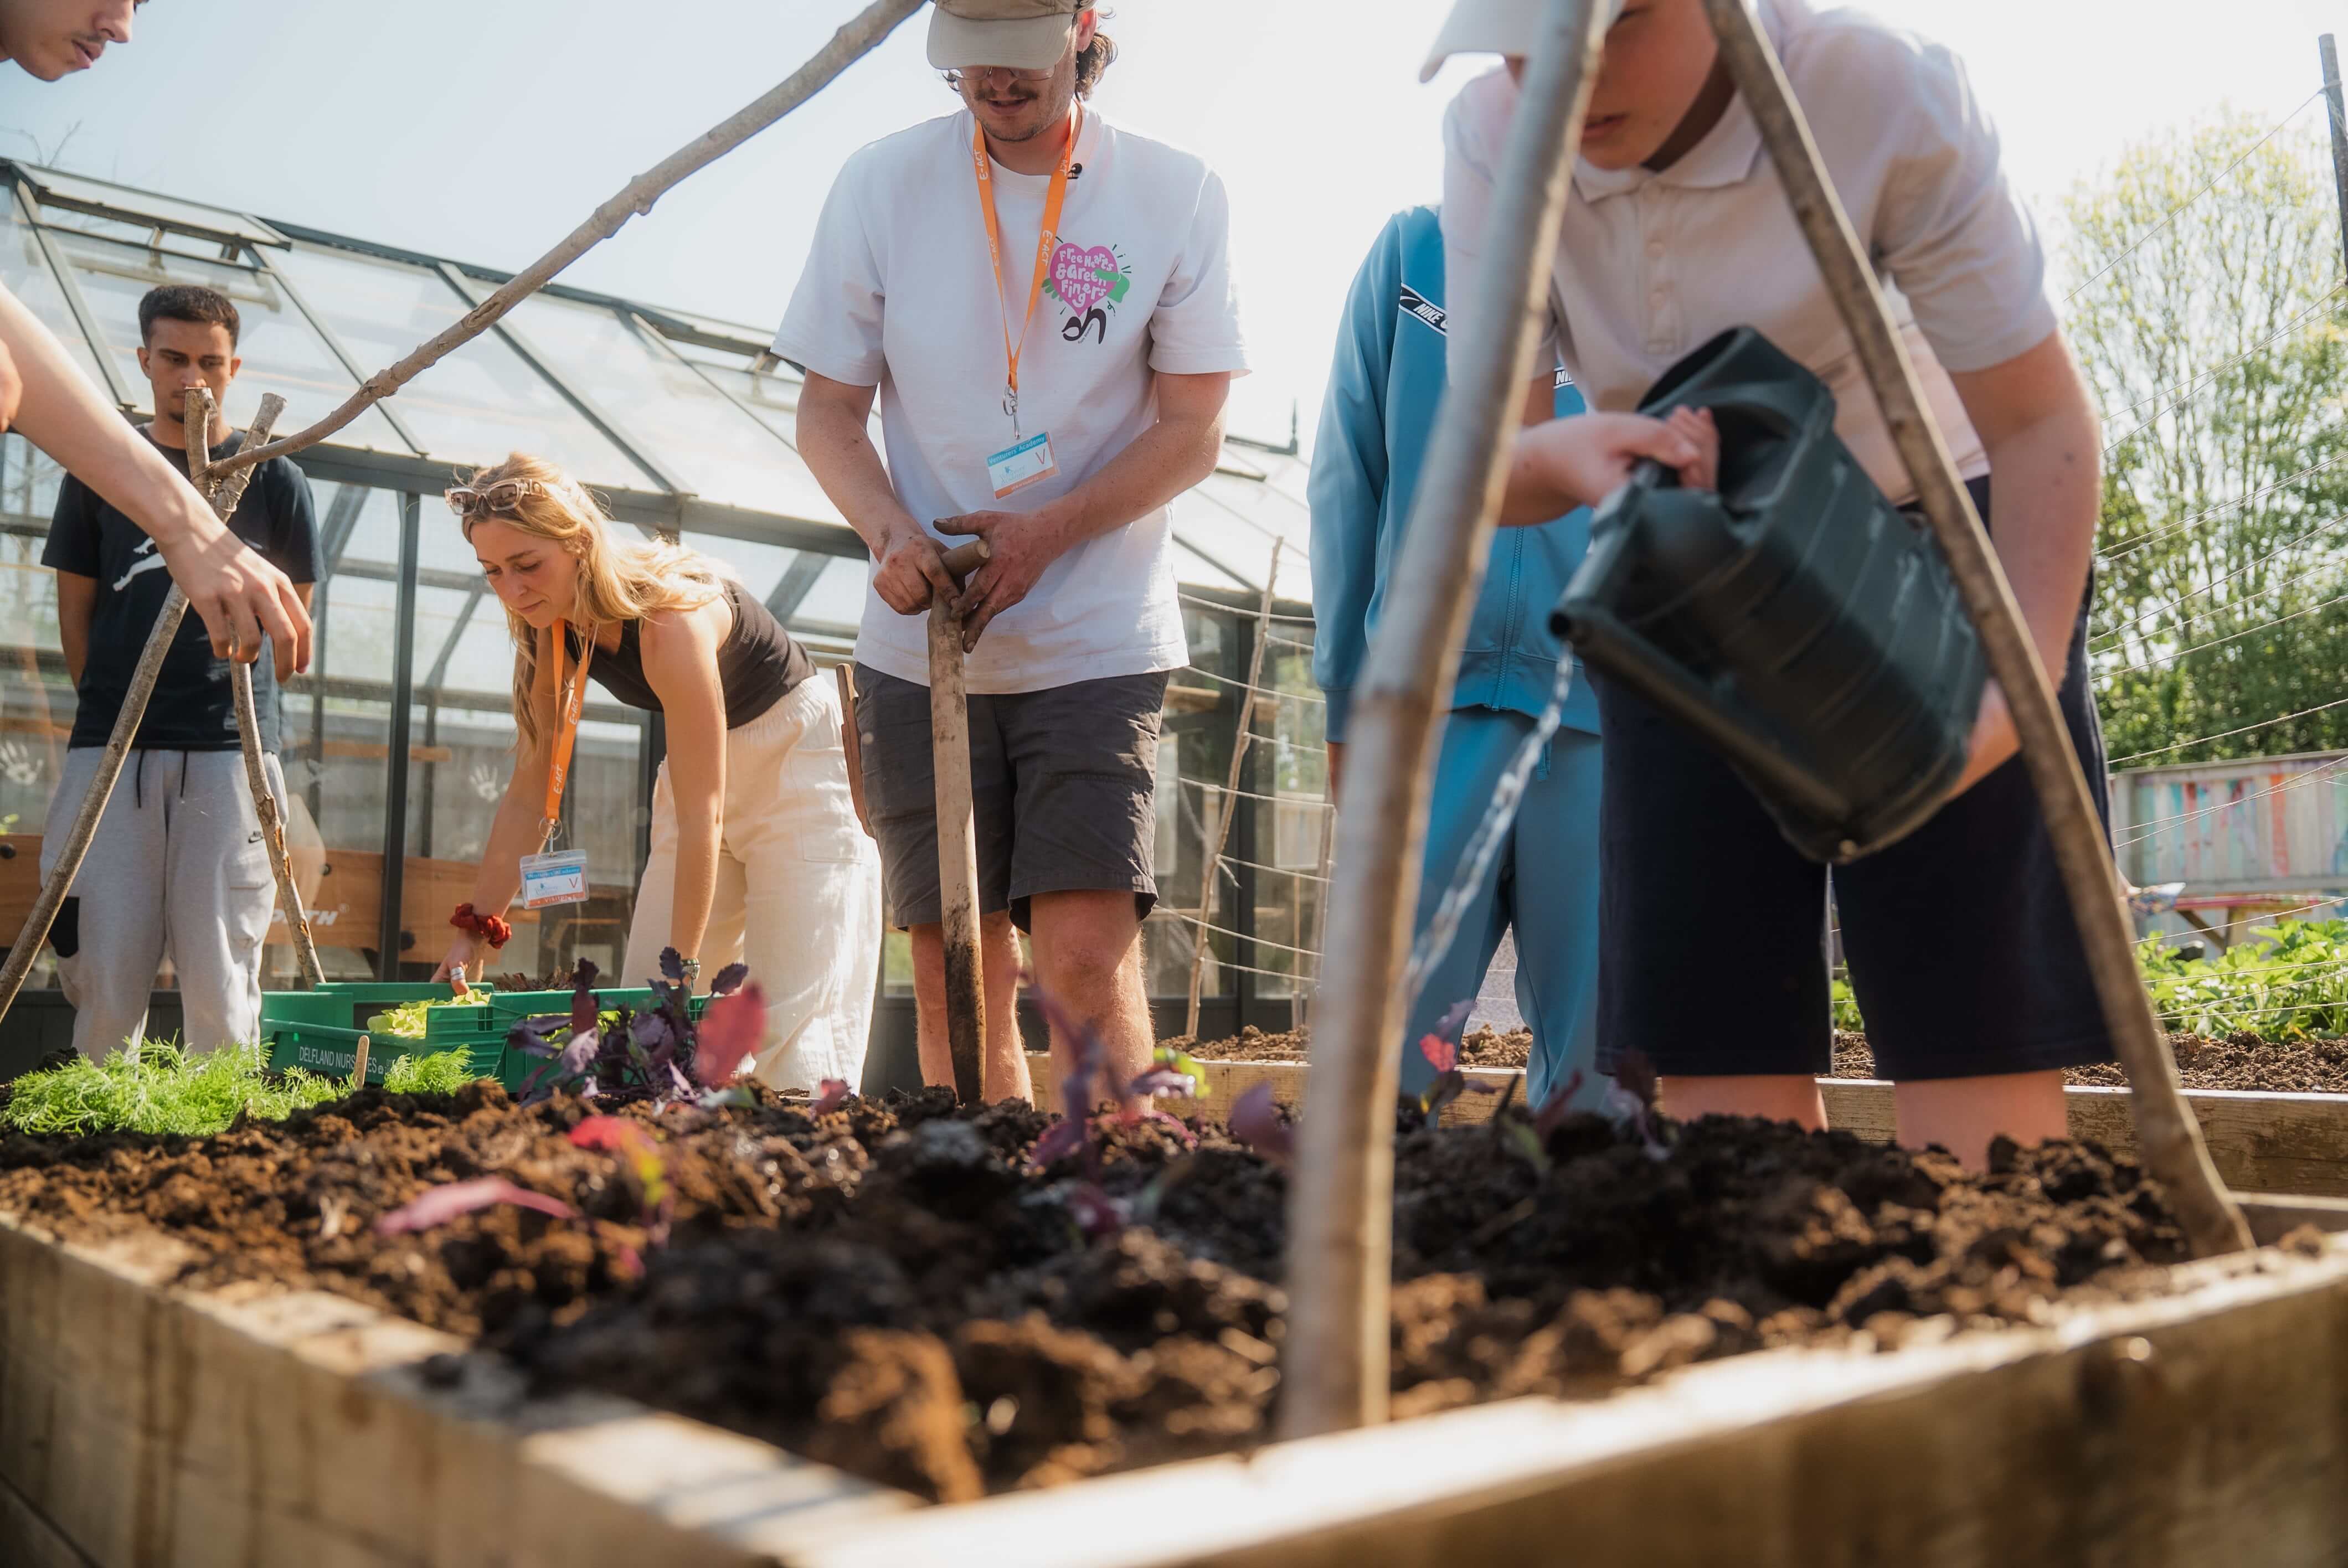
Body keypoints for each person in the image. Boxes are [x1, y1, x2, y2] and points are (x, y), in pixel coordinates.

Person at [1432, 0, 2109, 1167]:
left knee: (1970, 1033)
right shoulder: (1491, 133)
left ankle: (1997, 1321)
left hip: (1930, 557)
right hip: (1690, 572)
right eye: (1522, 40)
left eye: (1618, 22)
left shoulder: (1876, 94)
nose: (1566, 79)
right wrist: (1566, 454)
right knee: (1710, 1043)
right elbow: (1484, 455)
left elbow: (2039, 422)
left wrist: (2018, 688)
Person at [780, 0, 1248, 1099]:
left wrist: (1048, 533)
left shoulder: (1173, 193)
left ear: (1082, 27)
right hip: (921, 648)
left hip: (1093, 629)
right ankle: (984, 1225)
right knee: (956, 974)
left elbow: (1192, 430)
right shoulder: (881, 184)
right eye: (969, 52)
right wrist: (890, 532)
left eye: (1021, 48)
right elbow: (828, 414)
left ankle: (1118, 1209)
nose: (994, 77)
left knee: (1081, 962)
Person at [431, 455, 882, 1092]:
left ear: (581, 544)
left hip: (798, 770)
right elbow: (530, 791)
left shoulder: (669, 621)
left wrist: (684, 977)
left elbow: (707, 816)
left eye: (527, 566)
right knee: (643, 1015)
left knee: (789, 1026)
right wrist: (474, 934)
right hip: (701, 774)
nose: (511, 590)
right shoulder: (548, 631)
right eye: (493, 572)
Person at [1312, 204, 1609, 1113]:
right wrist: (1342, 698)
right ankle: (1381, 1247)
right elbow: (1347, 474)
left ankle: (1585, 1245)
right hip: (1424, 715)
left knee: (1601, 1069)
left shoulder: (1650, 271)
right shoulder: (1417, 251)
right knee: (1387, 1056)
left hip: (1608, 713)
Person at [39, 286, 319, 1058]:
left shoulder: (272, 478)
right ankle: (100, 1125)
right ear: (144, 360)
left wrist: (237, 701)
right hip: (113, 747)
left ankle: (221, 1136)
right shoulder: (104, 467)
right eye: (173, 358)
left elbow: (294, 617)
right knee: (102, 961)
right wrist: (109, 709)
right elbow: (76, 613)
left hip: (231, 753)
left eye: (209, 361)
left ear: (235, 367)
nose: (192, 378)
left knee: (223, 965)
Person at [1, 0, 311, 679]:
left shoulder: (276, 477)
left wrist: (186, 528)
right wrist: (185, 527)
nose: (123, 26)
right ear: (144, 361)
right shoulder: (93, 484)